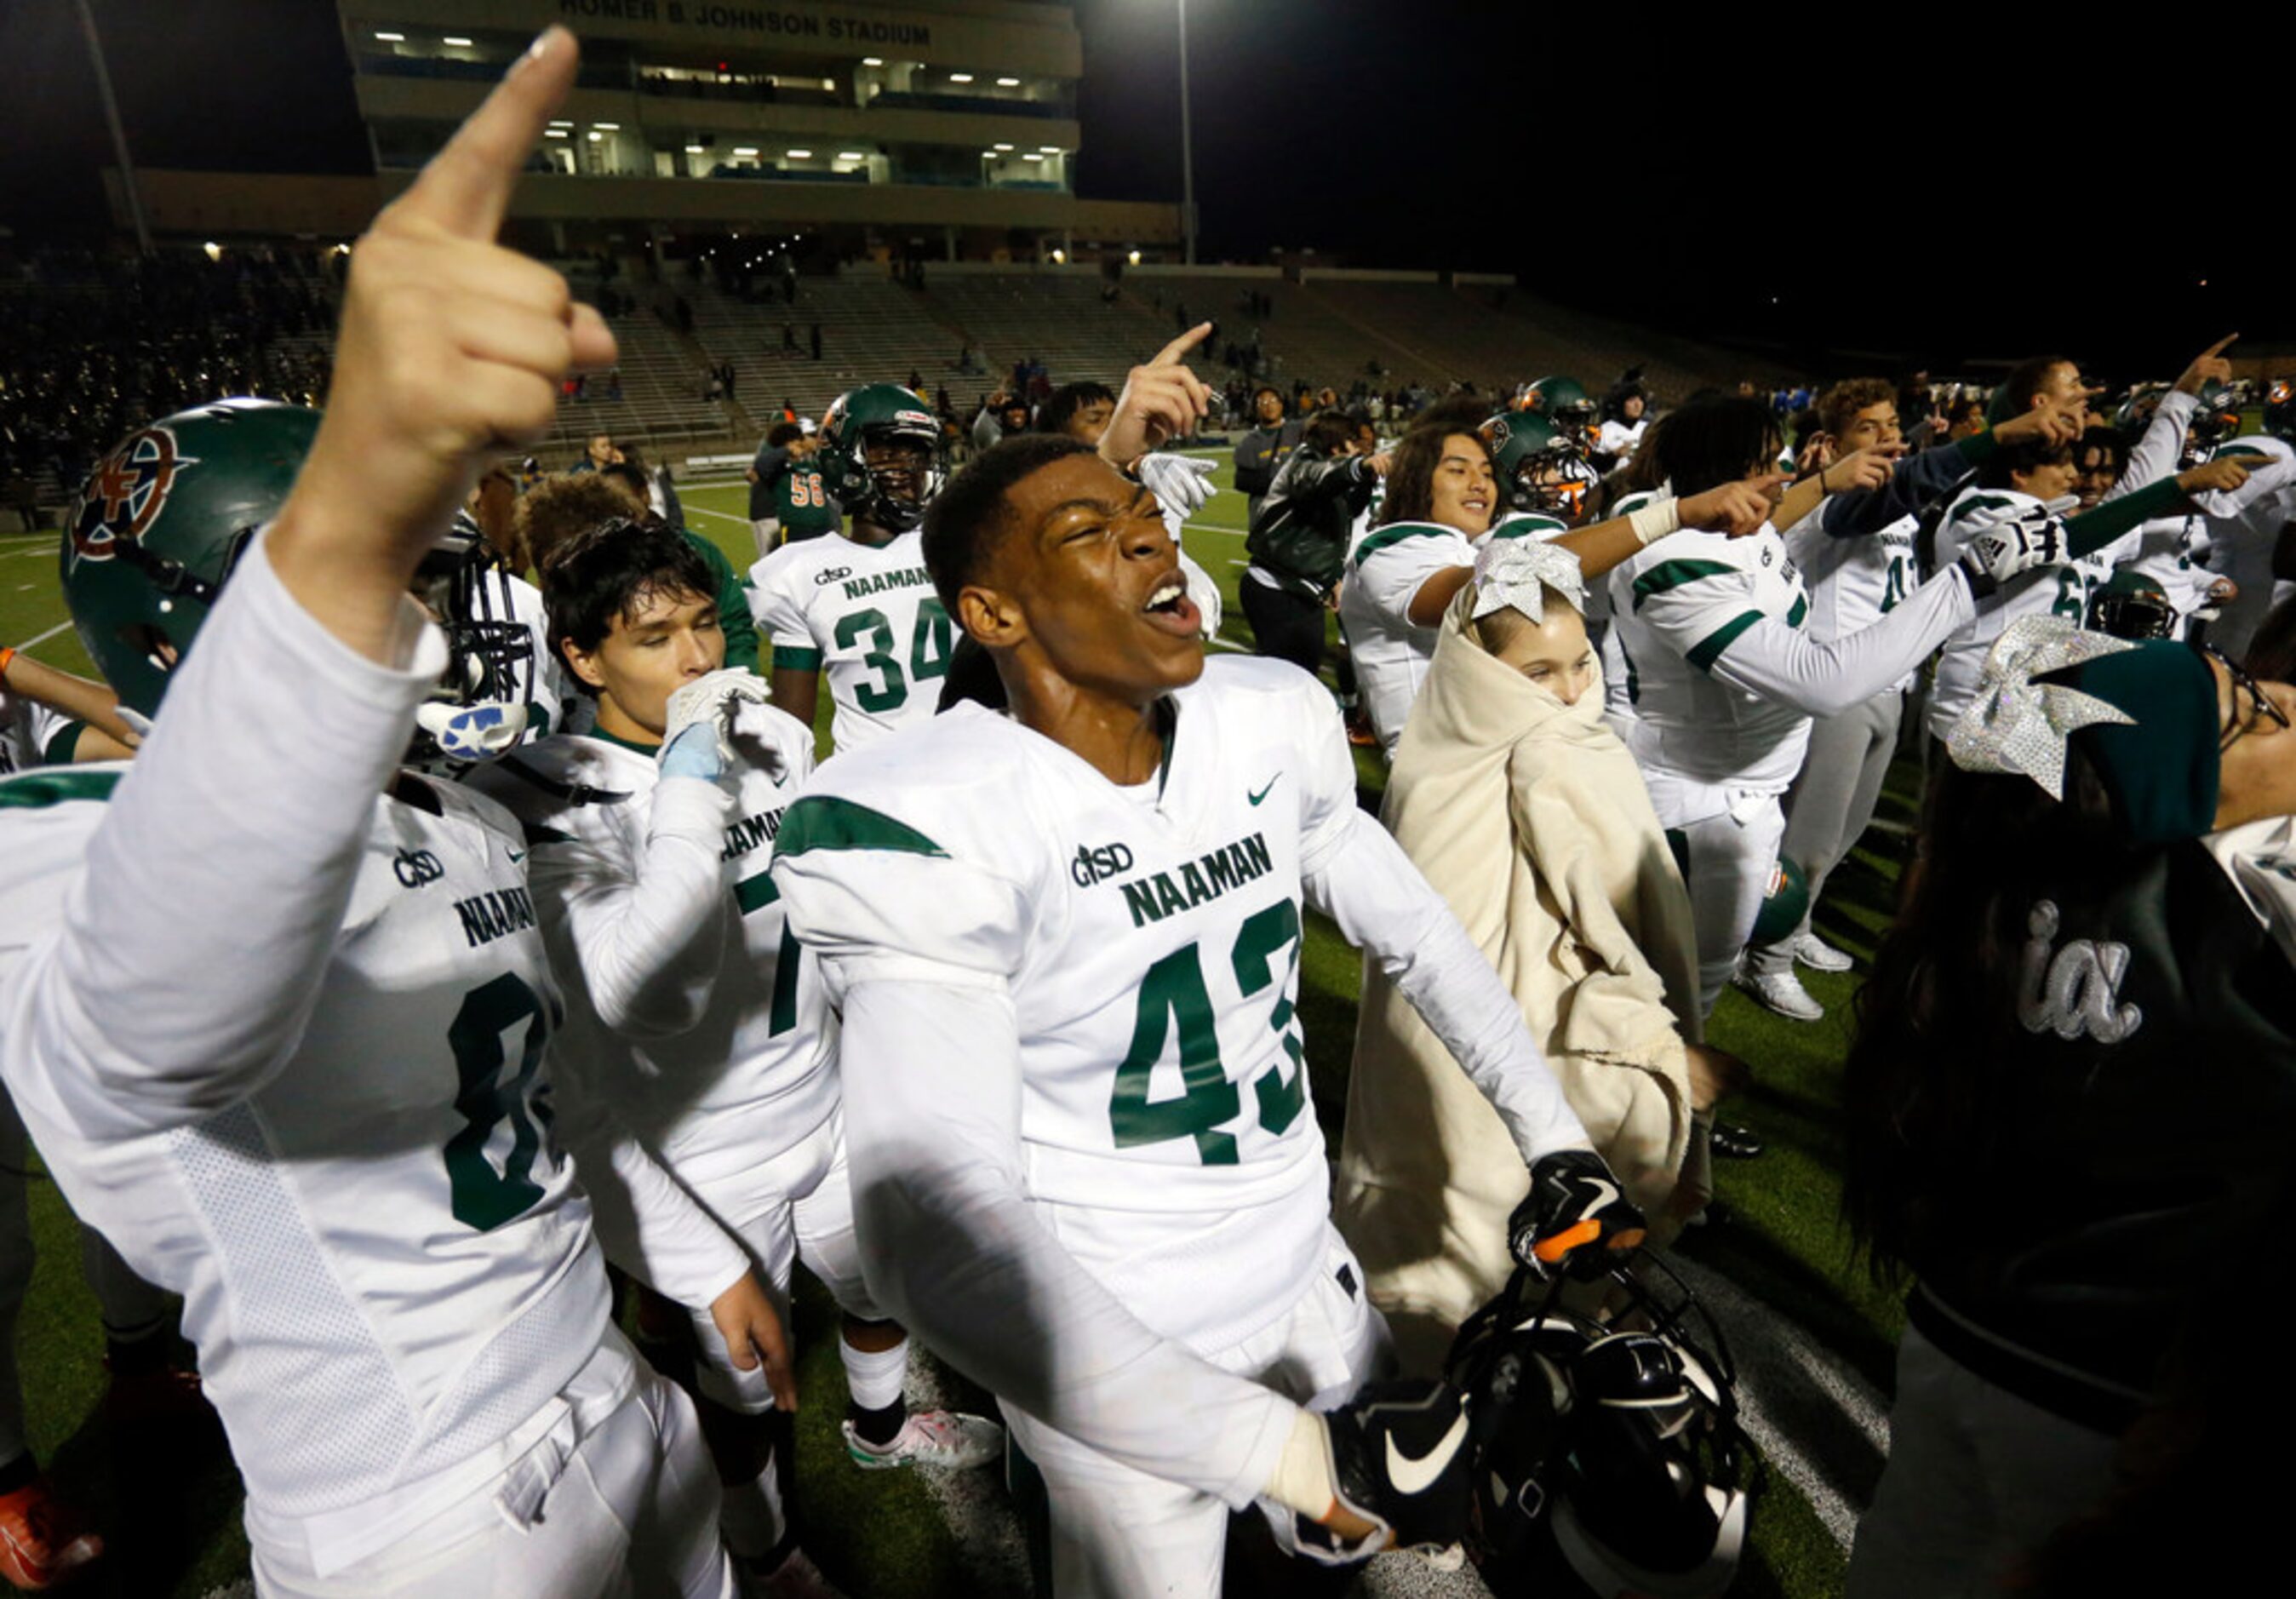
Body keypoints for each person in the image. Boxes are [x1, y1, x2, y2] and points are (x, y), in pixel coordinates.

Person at [0, 35, 733, 1597]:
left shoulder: (452, 804)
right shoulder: (56, 836)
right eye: (371, 571)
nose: (417, 608)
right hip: (423, 1519)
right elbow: (149, 1041)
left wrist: (690, 1250)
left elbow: (558, 1097)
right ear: (213, 622)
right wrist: (340, 526)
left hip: (609, 1387)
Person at [767, 332, 1649, 1595]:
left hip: (1307, 1268)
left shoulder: (1264, 716)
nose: (1149, 541)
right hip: (1113, 1315)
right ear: (993, 612)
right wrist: (1282, 1450)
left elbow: (1419, 935)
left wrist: (1553, 1136)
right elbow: (931, 1239)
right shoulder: (929, 817)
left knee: (1334, 1569)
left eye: (1144, 516)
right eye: (1093, 533)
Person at [471, 518, 999, 1590]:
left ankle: (883, 1427)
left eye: (706, 623)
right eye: (655, 637)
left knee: (877, 1283)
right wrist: (689, 779)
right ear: (581, 658)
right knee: (740, 1388)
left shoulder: (772, 732)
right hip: (699, 1148)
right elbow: (646, 997)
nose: (700, 658)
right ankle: (765, 1552)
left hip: (826, 1088)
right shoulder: (542, 806)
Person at [1842, 616, 2296, 1599]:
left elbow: (2034, 698)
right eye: (2255, 712)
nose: (2285, 708)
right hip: (2122, 1394)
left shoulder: (1989, 898)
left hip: (1958, 1334)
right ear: (2185, 787)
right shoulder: (2253, 892)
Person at [1337, 539, 1738, 1372]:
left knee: (1429, 1228)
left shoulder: (1433, 746)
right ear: (1482, 670)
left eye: (1578, 664)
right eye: (1536, 673)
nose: (1566, 691)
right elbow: (1621, 924)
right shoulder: (1560, 752)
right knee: (1525, 1245)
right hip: (1529, 1040)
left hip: (1428, 1042)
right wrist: (1666, 1055)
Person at [1605, 393, 2080, 1018]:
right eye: (1763, 466)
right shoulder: (1675, 559)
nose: (1779, 480)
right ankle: (1651, 1109)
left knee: (1695, 988)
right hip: (1698, 806)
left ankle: (1681, 1108)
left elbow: (1775, 515)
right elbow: (1822, 682)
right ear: (1723, 476)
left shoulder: (1728, 524)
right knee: (1669, 990)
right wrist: (1967, 581)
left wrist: (1825, 481)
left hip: (1745, 792)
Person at [1340, 421, 1777, 758]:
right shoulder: (1394, 546)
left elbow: (1625, 569)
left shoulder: (1478, 545)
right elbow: (1484, 589)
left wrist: (1820, 487)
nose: (1479, 484)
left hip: (1517, 756)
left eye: (1488, 473)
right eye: (1458, 471)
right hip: (1446, 775)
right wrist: (1672, 515)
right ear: (1416, 479)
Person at [748, 384, 950, 753]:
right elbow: (791, 729)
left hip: (970, 764)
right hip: (870, 783)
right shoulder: (795, 573)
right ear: (845, 460)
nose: (906, 466)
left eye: (916, 453)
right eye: (887, 451)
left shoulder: (958, 544)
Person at [1240, 410, 1389, 681]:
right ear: (1337, 444)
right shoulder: (1306, 464)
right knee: (1289, 680)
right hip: (1277, 590)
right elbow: (1319, 479)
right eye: (1353, 441)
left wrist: (1331, 578)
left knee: (1296, 676)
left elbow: (1344, 515)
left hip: (1295, 588)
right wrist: (1359, 468)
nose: (1359, 448)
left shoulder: (1326, 468)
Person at [746, 421, 840, 558]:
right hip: (795, 531)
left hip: (824, 529)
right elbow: (760, 466)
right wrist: (786, 451)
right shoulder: (779, 470)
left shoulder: (815, 463)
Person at [1230, 386, 1301, 528]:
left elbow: (1326, 427)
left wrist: (1327, 407)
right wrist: (1278, 484)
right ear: (1256, 409)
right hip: (1265, 516)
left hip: (1296, 515)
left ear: (1281, 405)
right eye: (1263, 403)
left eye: (1273, 401)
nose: (1269, 406)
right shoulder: (1248, 443)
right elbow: (1242, 482)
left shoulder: (1297, 431)